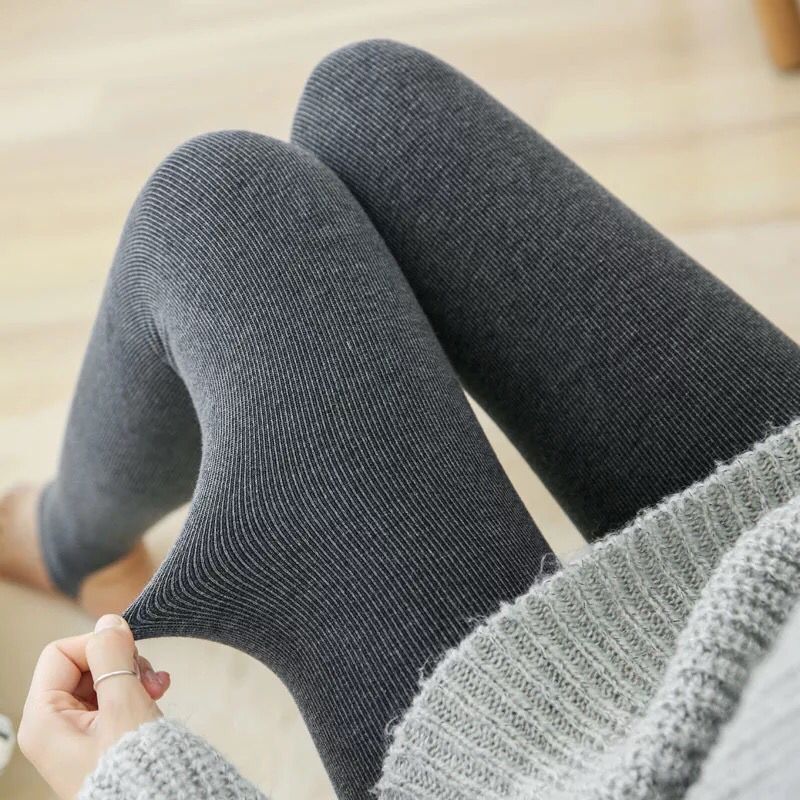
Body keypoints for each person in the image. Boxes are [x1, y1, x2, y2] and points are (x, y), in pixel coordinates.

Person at [2, 39, 799, 800]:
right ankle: (75, 535)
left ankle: (70, 541)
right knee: (370, 102)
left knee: (217, 206)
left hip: (569, 768)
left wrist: (135, 778)